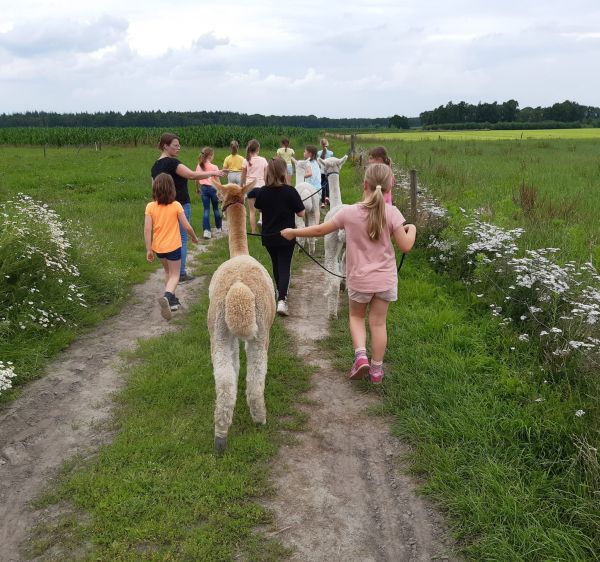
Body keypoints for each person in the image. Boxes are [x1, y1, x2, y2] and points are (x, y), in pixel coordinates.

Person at [281, 163, 416, 383]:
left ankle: (361, 356)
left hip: (359, 280)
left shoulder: (349, 213)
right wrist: (413, 229)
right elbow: (406, 246)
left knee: (356, 317)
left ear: (365, 184)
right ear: (390, 188)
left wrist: (293, 232)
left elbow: (318, 230)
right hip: (385, 280)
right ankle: (377, 370)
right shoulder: (392, 213)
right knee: (379, 323)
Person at [151, 132, 225, 283]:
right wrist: (214, 172)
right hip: (180, 205)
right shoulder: (172, 163)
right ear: (165, 146)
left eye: (179, 145)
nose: (179, 148)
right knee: (181, 239)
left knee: (168, 238)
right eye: (175, 145)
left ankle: (170, 273)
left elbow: (154, 188)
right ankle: (180, 273)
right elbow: (192, 175)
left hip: (162, 206)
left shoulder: (155, 166)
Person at [144, 173, 200, 321]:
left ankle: (173, 302)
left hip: (159, 248)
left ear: (155, 188)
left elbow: (147, 230)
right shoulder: (176, 205)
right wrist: (194, 237)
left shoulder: (150, 207)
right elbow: (186, 226)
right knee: (175, 275)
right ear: (172, 189)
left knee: (168, 273)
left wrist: (149, 249)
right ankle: (167, 297)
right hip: (174, 247)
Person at [254, 157, 305, 316]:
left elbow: (260, 209)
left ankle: (279, 292)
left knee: (276, 264)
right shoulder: (291, 191)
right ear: (284, 172)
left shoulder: (262, 191)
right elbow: (301, 213)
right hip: (287, 236)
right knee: (284, 266)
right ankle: (282, 299)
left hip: (269, 237)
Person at [241, 139, 268, 234]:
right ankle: (261, 221)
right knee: (263, 209)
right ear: (258, 149)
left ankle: (253, 231)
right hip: (261, 186)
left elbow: (243, 176)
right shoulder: (263, 160)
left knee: (252, 211)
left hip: (250, 187)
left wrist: (242, 187)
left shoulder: (245, 161)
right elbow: (265, 176)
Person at [196, 147, 222, 239]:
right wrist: (220, 191)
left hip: (203, 189)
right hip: (213, 189)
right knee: (215, 209)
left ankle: (206, 231)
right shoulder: (214, 167)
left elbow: (197, 178)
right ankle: (219, 228)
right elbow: (217, 180)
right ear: (210, 156)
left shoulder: (199, 166)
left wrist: (197, 188)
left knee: (206, 209)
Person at [318, 138, 333, 208]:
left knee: (322, 185)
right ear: (327, 144)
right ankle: (327, 197)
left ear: (321, 145)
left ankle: (323, 202)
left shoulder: (318, 153)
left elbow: (318, 163)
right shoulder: (331, 153)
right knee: (328, 184)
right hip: (328, 172)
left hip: (321, 172)